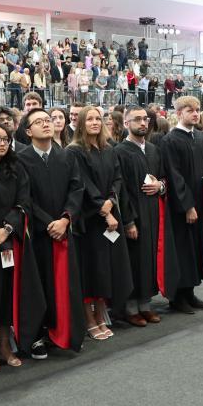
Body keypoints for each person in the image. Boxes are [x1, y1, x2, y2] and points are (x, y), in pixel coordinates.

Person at [0, 123, 45, 372]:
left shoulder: (15, 169)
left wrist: (7, 229)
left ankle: (4, 346)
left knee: (5, 294)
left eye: (6, 139)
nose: (2, 143)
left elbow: (24, 202)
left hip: (8, 240)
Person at [16, 108, 85, 356]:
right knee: (39, 284)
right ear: (27, 131)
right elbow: (25, 198)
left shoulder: (66, 156)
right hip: (38, 234)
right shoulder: (21, 159)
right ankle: (37, 335)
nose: (46, 124)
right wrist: (49, 223)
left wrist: (65, 219)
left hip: (64, 231)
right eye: (39, 122)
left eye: (48, 120)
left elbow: (77, 190)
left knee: (66, 284)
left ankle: (66, 331)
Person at [67, 106, 133, 340]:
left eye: (98, 118)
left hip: (109, 215)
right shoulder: (75, 151)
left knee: (105, 270)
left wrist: (111, 202)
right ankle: (89, 319)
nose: (95, 122)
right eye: (89, 119)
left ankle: (102, 313)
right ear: (82, 123)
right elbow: (82, 184)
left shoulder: (109, 149)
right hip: (90, 220)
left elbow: (117, 178)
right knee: (91, 271)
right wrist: (103, 210)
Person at [114, 106, 178, 326]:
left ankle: (145, 305)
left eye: (145, 119)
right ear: (126, 123)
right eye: (137, 119)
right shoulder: (120, 152)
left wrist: (161, 186)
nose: (143, 123)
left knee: (149, 258)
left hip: (153, 213)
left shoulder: (153, 149)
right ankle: (130, 308)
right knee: (134, 260)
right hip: (134, 214)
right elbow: (119, 189)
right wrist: (128, 221)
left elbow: (164, 178)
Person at [160, 96, 203, 314]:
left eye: (197, 110)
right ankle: (177, 296)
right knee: (182, 250)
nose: (196, 114)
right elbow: (174, 176)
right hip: (183, 207)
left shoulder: (201, 137)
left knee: (196, 248)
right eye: (190, 110)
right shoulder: (170, 140)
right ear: (179, 113)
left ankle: (190, 292)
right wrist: (187, 206)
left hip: (202, 201)